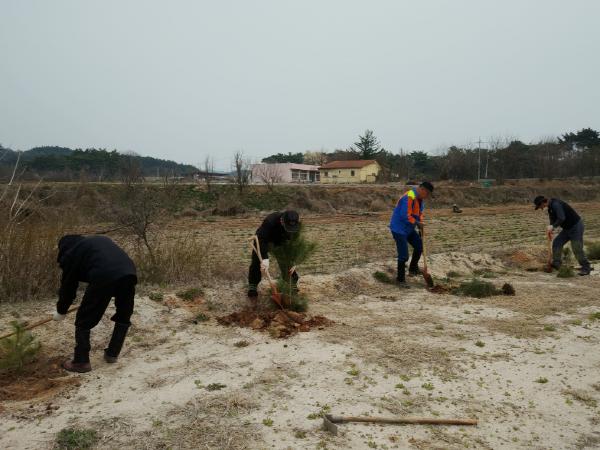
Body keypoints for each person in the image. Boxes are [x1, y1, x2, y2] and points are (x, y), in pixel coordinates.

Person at [54, 235, 137, 373]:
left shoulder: (72, 253)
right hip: (129, 272)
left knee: (83, 319)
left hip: (104, 274)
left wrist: (61, 310)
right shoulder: (97, 243)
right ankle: (112, 354)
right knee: (124, 313)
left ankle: (81, 362)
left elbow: (68, 287)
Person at [389, 182, 434, 287]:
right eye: (427, 194)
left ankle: (413, 269)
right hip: (399, 229)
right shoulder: (409, 196)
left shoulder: (420, 200)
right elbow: (405, 215)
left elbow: (419, 214)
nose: (427, 196)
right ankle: (400, 280)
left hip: (409, 228)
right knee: (404, 256)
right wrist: (417, 223)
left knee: (419, 246)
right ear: (422, 189)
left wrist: (420, 223)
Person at [248, 210, 300, 298]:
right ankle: (252, 286)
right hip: (264, 240)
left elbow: (294, 243)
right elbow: (261, 240)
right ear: (282, 221)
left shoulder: (295, 225)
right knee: (257, 262)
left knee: (287, 262)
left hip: (280, 242)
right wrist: (265, 259)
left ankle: (292, 283)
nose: (290, 230)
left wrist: (294, 260)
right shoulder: (270, 221)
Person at [534, 195, 591, 276]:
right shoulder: (550, 208)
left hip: (576, 227)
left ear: (543, 202)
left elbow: (561, 218)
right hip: (567, 229)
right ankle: (557, 264)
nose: (541, 208)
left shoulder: (556, 204)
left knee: (576, 248)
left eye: (540, 206)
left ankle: (586, 268)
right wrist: (551, 229)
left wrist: (553, 226)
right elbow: (552, 220)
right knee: (557, 242)